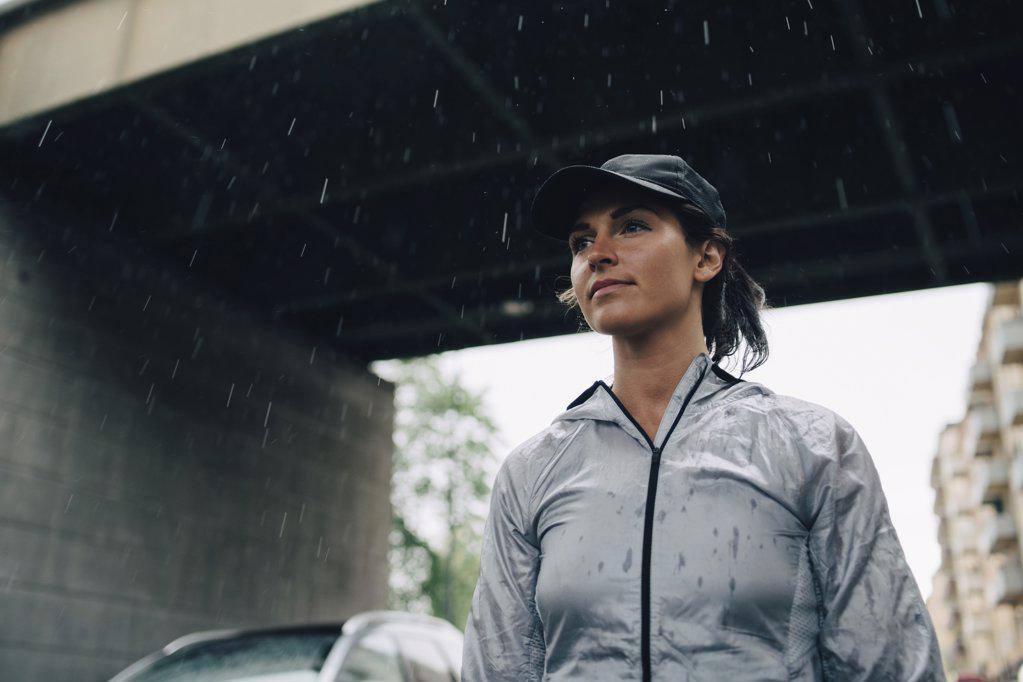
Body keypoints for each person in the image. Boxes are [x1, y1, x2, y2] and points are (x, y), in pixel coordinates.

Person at [460, 154, 945, 681]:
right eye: (581, 241)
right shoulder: (531, 473)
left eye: (632, 226)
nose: (597, 254)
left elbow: (892, 667)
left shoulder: (814, 448)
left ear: (707, 257)